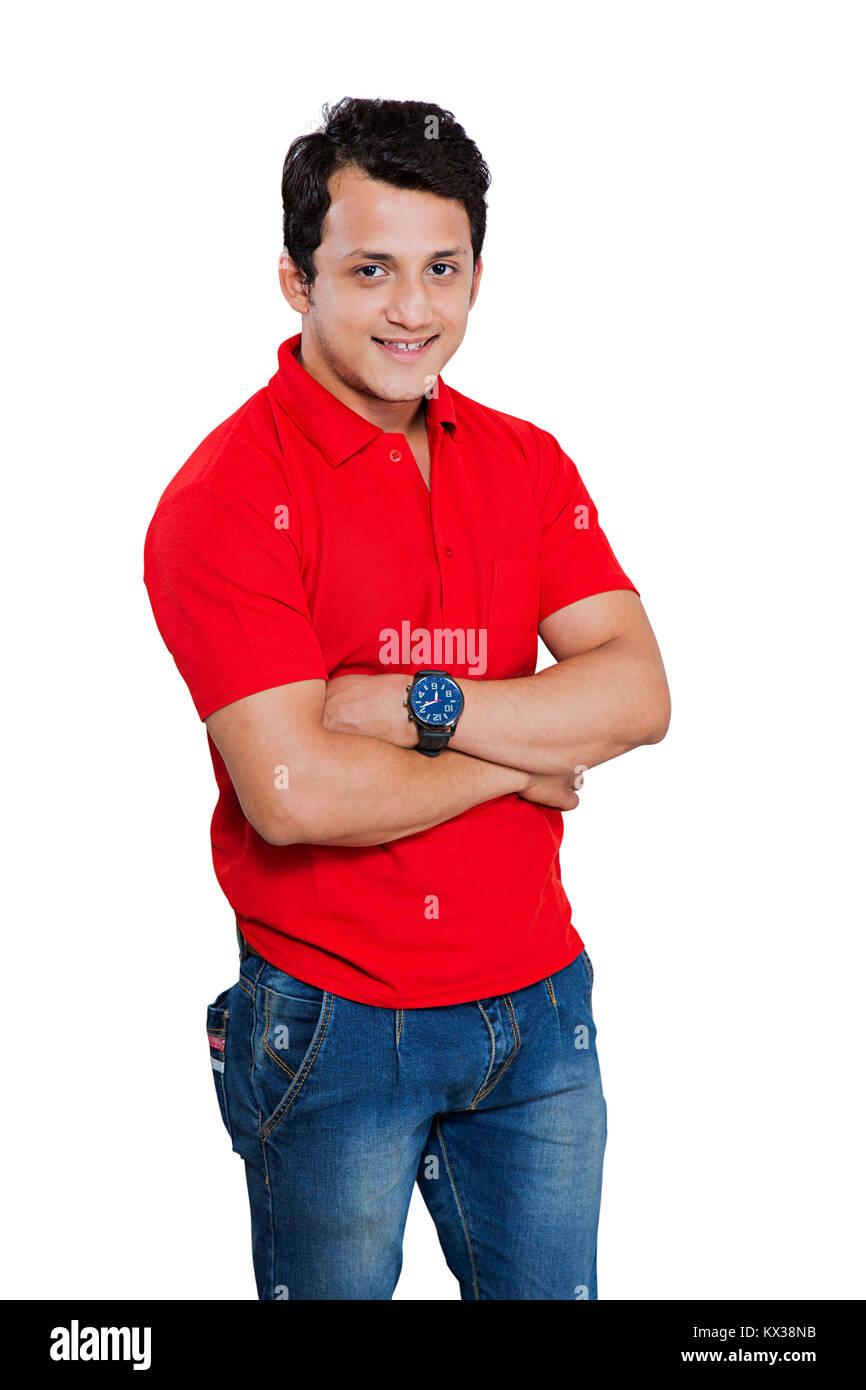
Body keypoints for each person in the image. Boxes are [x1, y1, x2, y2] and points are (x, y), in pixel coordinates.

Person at [143, 95, 670, 1301]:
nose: (413, 309)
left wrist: (410, 706)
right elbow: (293, 796)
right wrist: (527, 748)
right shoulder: (224, 497)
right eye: (370, 269)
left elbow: (635, 692)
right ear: (295, 277)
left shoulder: (524, 461)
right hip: (332, 1018)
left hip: (537, 1005)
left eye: (442, 268)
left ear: (478, 270)